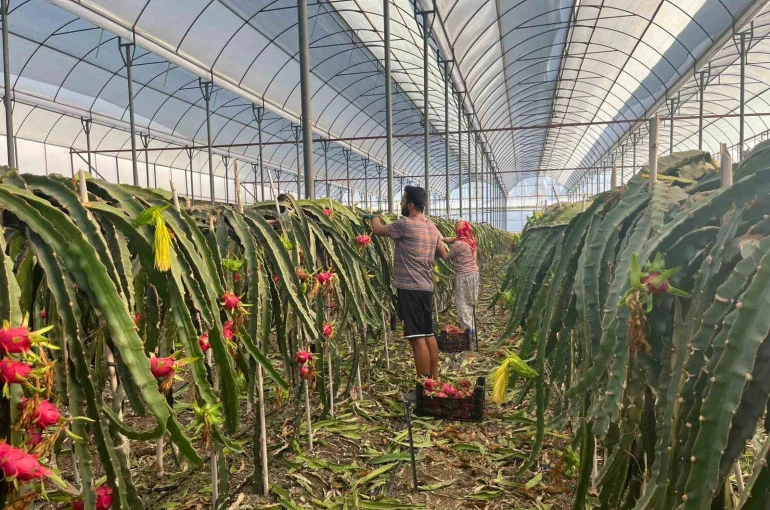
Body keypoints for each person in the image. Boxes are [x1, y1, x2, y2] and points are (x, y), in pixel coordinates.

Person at [369, 186, 447, 380]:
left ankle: (423, 386)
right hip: (426, 288)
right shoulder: (432, 227)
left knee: (416, 339)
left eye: (403, 200)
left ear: (411, 205)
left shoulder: (405, 224)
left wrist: (373, 216)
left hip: (410, 289)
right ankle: (434, 380)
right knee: (428, 334)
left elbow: (377, 230)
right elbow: (441, 253)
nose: (401, 203)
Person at [442, 220, 479, 334]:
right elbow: (454, 239)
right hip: (474, 275)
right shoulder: (471, 242)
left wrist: (438, 246)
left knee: (462, 302)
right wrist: (443, 239)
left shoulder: (458, 245)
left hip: (463, 276)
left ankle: (468, 330)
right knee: (471, 301)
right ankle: (472, 325)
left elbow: (446, 257)